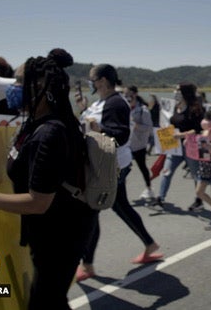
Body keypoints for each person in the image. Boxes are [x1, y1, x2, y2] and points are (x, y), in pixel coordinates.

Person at [0, 49, 96, 309]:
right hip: (49, 232)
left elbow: (37, 203)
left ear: (40, 86)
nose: (13, 87)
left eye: (19, 82)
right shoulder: (34, 123)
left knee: (44, 301)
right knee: (52, 299)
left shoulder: (50, 133)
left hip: (61, 236)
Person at [76, 64, 163, 281]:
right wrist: (83, 109)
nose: (91, 83)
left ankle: (87, 265)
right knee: (120, 205)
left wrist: (98, 129)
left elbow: (122, 135)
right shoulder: (102, 102)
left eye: (92, 79)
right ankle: (150, 244)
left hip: (110, 167)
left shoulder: (116, 103)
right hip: (105, 165)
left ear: (103, 81)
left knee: (90, 210)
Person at [154, 82, 205, 210]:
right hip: (175, 147)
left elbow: (198, 129)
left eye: (178, 90)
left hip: (190, 146)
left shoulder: (195, 109)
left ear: (184, 92)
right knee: (166, 171)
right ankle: (160, 198)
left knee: (196, 174)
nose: (175, 92)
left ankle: (199, 200)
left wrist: (181, 135)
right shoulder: (176, 107)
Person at [125, 86, 155, 201]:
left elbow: (148, 127)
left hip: (138, 145)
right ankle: (119, 190)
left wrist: (136, 125)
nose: (128, 96)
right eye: (125, 94)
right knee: (123, 167)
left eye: (130, 94)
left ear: (135, 94)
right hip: (126, 143)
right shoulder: (125, 107)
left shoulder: (143, 109)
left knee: (142, 167)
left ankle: (149, 188)